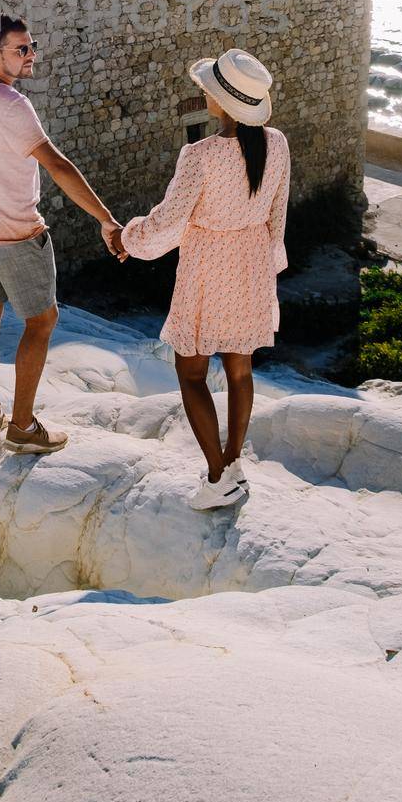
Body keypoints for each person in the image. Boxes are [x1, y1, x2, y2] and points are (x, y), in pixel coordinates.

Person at [117, 48, 290, 511]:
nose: (203, 93)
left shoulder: (201, 155)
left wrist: (128, 239)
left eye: (208, 90)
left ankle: (217, 478)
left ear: (222, 102)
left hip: (208, 266)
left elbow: (171, 221)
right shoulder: (277, 143)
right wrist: (267, 274)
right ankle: (232, 463)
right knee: (240, 368)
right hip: (252, 261)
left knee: (191, 371)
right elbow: (278, 217)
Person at [0, 15, 124, 455]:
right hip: (15, 233)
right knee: (42, 321)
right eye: (20, 49)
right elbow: (59, 166)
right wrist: (106, 220)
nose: (31, 56)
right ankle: (22, 426)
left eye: (32, 46)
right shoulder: (12, 104)